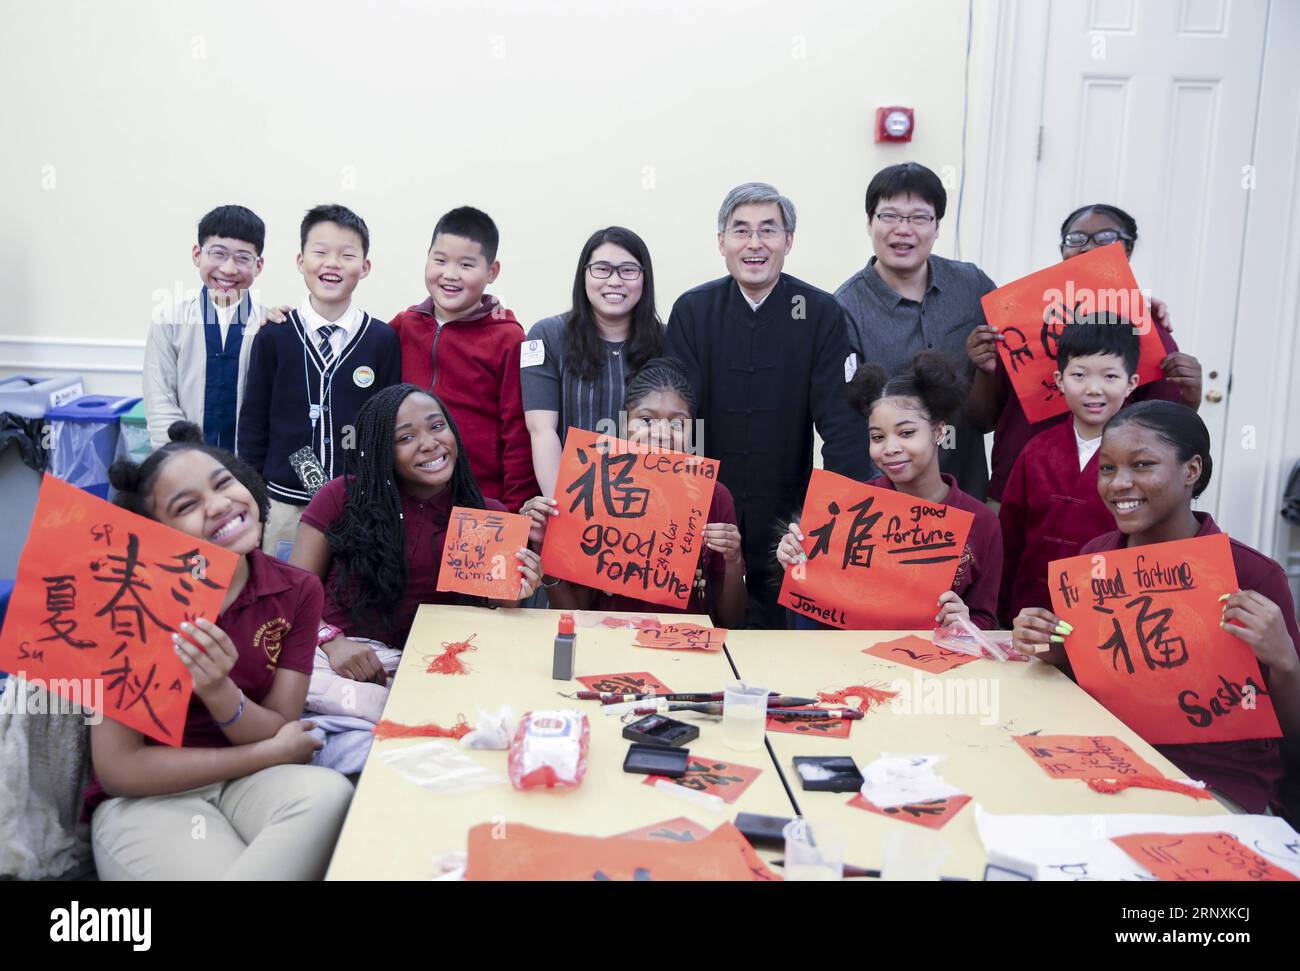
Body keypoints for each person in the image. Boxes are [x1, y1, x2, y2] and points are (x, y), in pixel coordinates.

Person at [88, 422, 352, 880]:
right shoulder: (125, 601)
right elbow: (118, 768)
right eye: (186, 506)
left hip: (254, 786)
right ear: (157, 532)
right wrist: (266, 755)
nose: (218, 505)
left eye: (223, 483)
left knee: (329, 793)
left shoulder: (297, 590)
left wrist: (217, 689)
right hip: (151, 800)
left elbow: (278, 725)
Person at [1011, 402, 1300, 813]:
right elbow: (1098, 678)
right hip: (1103, 758)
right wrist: (1055, 649)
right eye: (1107, 468)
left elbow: (1293, 736)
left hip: (1212, 784)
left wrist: (1284, 658)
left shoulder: (1253, 575)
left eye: (1142, 465)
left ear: (1191, 471)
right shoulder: (1095, 558)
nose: (1118, 484)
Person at [665, 182, 870, 628]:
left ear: (788, 241)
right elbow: (675, 422)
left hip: (790, 523)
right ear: (722, 242)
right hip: (705, 519)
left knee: (785, 656)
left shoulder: (820, 313)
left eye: (768, 231)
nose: (754, 244)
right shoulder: (693, 311)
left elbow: (843, 431)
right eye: (740, 231)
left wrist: (830, 528)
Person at [289, 384, 543, 722]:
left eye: (438, 426)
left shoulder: (488, 514)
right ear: (381, 450)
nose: (429, 443)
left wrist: (522, 586)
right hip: (338, 660)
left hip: (438, 666)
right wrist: (333, 643)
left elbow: (498, 615)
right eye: (405, 437)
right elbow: (292, 594)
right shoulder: (340, 497)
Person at [966, 203, 1203, 503]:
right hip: (1016, 492)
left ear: (1127, 250)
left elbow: (1169, 426)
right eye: (1075, 239)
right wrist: (985, 371)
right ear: (1062, 252)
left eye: (1106, 238)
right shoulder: (1019, 322)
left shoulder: (1145, 325)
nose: (1089, 248)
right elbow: (981, 419)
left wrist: (1191, 397)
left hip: (1106, 500)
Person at [776, 353, 1002, 630]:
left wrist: (965, 622)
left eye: (906, 433)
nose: (890, 448)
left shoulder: (982, 523)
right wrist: (795, 561)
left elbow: (986, 619)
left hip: (933, 669)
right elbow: (817, 609)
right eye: (877, 437)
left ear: (939, 431)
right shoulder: (846, 509)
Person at [529, 358, 747, 628]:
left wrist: (733, 559)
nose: (662, 433)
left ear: (693, 432)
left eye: (678, 424)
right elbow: (576, 616)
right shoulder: (596, 489)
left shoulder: (715, 496)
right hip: (608, 643)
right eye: (646, 420)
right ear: (624, 425)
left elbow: (732, 620)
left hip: (686, 648)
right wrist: (543, 546)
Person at [237, 204, 402, 556]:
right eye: (320, 252)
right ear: (301, 261)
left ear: (365, 266)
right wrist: (252, 499)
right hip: (282, 502)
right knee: (284, 597)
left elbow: (386, 428)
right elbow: (253, 422)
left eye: (346, 255)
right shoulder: (274, 335)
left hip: (355, 504)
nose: (332, 263)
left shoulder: (381, 340)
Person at [835, 162, 995, 498]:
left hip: (966, 485)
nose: (903, 230)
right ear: (869, 223)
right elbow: (849, 422)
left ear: (937, 227)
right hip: (891, 497)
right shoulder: (845, 308)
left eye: (919, 218)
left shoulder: (972, 286)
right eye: (890, 216)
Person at [386, 206, 538, 512]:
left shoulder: (508, 339)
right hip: (407, 499)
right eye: (439, 260)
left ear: (491, 272)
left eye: (466, 265)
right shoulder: (404, 325)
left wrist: (512, 511)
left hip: (479, 502)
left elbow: (518, 433)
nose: (450, 274)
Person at [997, 319, 1141, 625]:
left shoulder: (1142, 458)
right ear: (1059, 380)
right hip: (1029, 614)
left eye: (1110, 376)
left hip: (1107, 615)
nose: (1093, 389)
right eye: (1079, 375)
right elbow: (1009, 535)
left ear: (1131, 383)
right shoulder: (1036, 451)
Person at [522, 226, 664, 496]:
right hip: (573, 497)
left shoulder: (667, 341)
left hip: (647, 501)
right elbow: (542, 432)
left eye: (628, 270)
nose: (614, 281)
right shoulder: (546, 336)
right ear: (583, 275)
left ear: (644, 278)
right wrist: (561, 507)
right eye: (602, 269)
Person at [143, 205, 268, 450]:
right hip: (186, 463)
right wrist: (181, 461)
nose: (229, 269)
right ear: (197, 255)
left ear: (259, 266)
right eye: (218, 254)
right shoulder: (169, 320)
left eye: (243, 258)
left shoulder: (269, 326)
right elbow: (160, 402)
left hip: (251, 467)